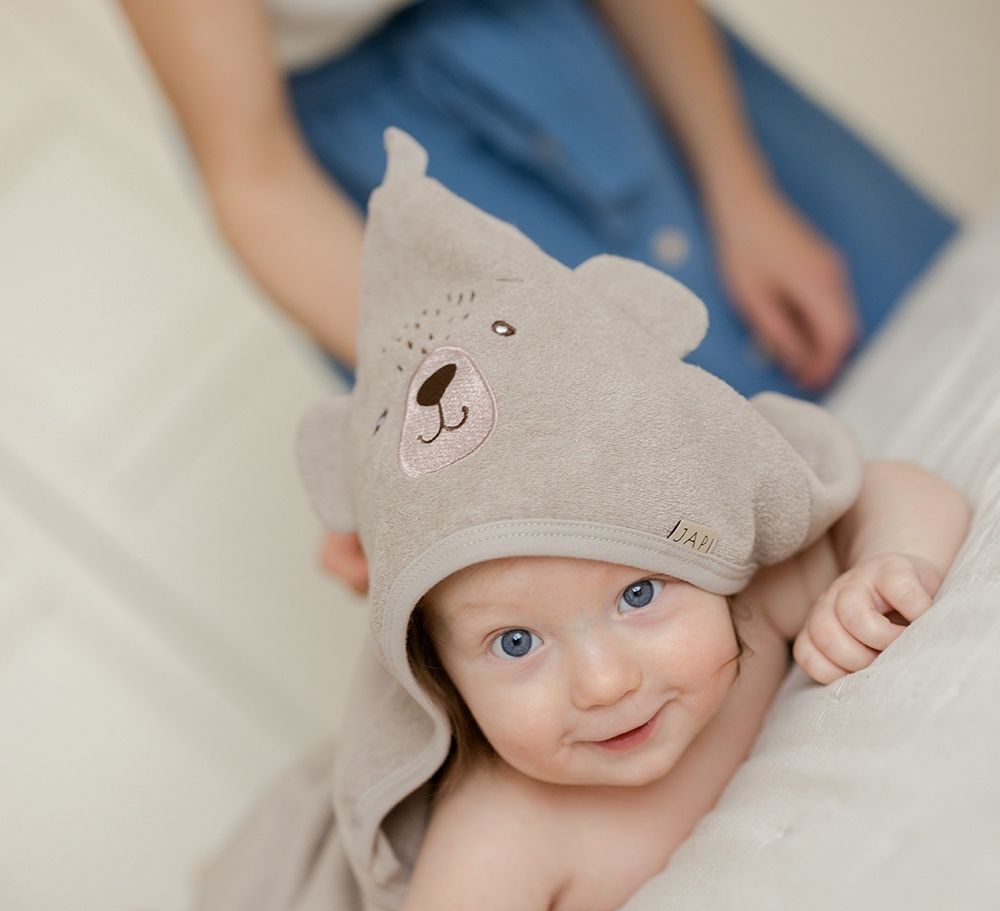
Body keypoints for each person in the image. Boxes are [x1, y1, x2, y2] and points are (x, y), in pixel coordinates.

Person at [91, 130, 970, 911]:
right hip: (297, 885)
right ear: (437, 674)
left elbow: (888, 491)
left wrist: (888, 567)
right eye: (514, 641)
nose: (604, 682)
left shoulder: (747, 596)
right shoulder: (508, 828)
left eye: (638, 593)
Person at [117, 0, 956, 594]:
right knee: (684, 543)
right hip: (384, 159)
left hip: (602, 48)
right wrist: (471, 407)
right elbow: (254, 175)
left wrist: (739, 183)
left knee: (927, 338)